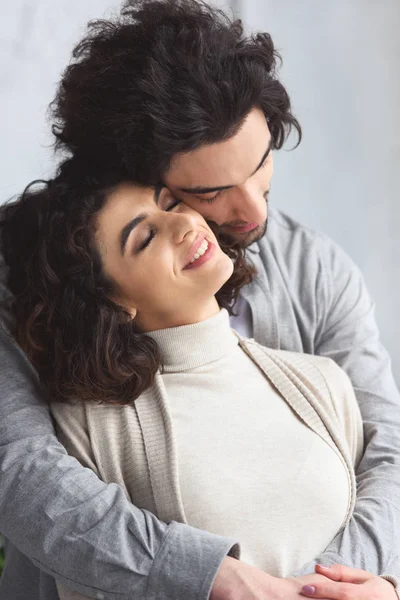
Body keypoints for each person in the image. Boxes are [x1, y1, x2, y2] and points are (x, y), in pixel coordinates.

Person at [0, 0, 399, 599]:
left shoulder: (315, 275)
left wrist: (337, 586)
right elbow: (24, 475)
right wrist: (215, 577)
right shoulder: (29, 286)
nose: (254, 213)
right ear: (138, 177)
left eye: (261, 165)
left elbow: (386, 451)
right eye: (209, 190)